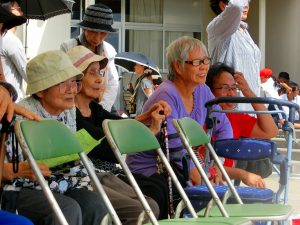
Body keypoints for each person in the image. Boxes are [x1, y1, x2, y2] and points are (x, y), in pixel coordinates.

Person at [67, 45, 169, 221]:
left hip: (107, 175)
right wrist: (151, 131)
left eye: (100, 73)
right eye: (92, 73)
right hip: (91, 176)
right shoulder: (71, 115)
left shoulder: (93, 108)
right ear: (74, 78)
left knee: (160, 186)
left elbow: (120, 125)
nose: (100, 79)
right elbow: (109, 149)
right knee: (150, 197)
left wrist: (147, 115)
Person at [13, 50, 109, 225]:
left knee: (96, 204)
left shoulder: (69, 109)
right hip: (23, 184)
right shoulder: (22, 116)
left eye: (74, 82)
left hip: (61, 178)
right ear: (41, 91)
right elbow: (19, 170)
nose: (72, 89)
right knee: (67, 209)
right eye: (63, 82)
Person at [126, 36, 232, 194]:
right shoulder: (166, 94)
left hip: (179, 169)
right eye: (197, 62)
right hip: (150, 171)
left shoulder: (202, 90)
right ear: (178, 66)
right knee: (209, 198)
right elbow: (176, 151)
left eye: (206, 61)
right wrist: (205, 179)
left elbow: (224, 127)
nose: (204, 67)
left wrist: (216, 167)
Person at [206, 63, 279, 187]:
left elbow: (271, 131)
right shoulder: (202, 116)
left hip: (223, 185)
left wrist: (248, 92)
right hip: (207, 183)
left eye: (234, 88)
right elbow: (205, 166)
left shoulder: (236, 117)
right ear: (209, 90)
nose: (231, 94)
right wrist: (242, 174)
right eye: (225, 88)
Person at [61, 3, 119, 112]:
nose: (97, 38)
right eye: (93, 31)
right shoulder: (68, 47)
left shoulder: (108, 51)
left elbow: (112, 82)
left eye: (102, 33)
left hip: (100, 104)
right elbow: (63, 80)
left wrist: (102, 108)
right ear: (84, 28)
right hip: (73, 106)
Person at [207, 0, 261, 111]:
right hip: (232, 109)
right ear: (223, 5)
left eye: (248, 2)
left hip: (252, 107)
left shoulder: (244, 32)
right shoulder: (217, 28)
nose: (246, 5)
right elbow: (236, 6)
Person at [0, 0, 27, 101]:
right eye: (18, 9)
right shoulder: (11, 39)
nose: (21, 12)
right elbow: (26, 71)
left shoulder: (6, 38)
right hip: (10, 99)